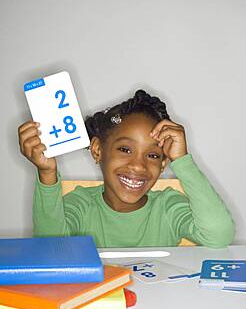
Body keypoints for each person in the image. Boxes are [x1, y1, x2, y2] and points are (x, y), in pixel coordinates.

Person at [18, 90, 235, 248]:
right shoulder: (81, 204)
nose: (139, 165)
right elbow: (51, 247)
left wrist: (183, 160)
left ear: (163, 164)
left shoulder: (168, 207)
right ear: (97, 150)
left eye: (152, 155)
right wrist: (47, 173)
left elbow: (219, 235)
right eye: (125, 149)